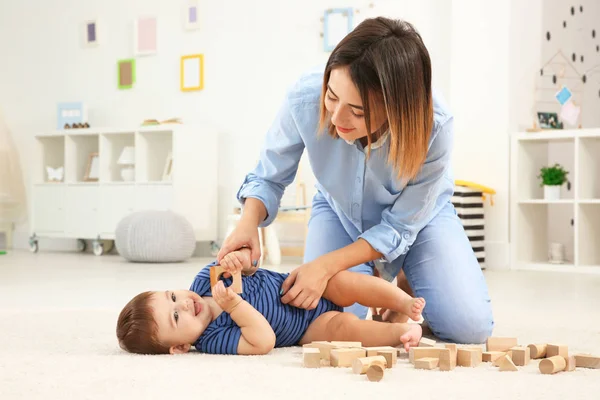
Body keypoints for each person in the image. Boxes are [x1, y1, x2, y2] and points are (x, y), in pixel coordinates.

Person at [217, 17, 494, 344]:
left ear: (397, 109)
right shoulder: (304, 97)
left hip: (419, 222)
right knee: (330, 323)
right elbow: (268, 173)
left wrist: (324, 267)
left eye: (358, 111)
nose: (335, 118)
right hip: (339, 213)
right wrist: (249, 223)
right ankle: (383, 285)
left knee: (469, 329)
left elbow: (400, 227)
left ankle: (404, 278)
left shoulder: (435, 124)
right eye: (332, 96)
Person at [116, 247, 425, 355]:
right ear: (181, 347)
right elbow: (263, 341)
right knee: (344, 331)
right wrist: (234, 307)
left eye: (172, 296)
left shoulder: (204, 279)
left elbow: (251, 266)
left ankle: (401, 301)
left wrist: (242, 262)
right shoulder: (213, 340)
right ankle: (400, 335)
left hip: (305, 284)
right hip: (309, 327)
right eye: (175, 317)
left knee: (344, 282)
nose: (183, 303)